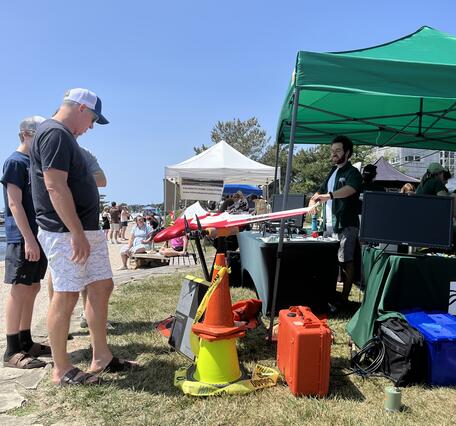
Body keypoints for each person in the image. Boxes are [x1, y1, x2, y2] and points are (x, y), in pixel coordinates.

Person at [30, 88, 134, 386]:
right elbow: (54, 186)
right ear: (81, 109)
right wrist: (76, 232)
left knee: (101, 285)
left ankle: (101, 356)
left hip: (84, 228)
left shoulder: (64, 136)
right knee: (66, 295)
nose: (90, 127)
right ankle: (61, 369)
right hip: (64, 231)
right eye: (92, 120)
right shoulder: (54, 134)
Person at [1, 116, 50, 369]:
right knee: (20, 290)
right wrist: (29, 239)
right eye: (37, 134)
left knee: (33, 288)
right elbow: (13, 203)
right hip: (22, 236)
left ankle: (26, 340)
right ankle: (11, 350)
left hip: (38, 235)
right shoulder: (14, 162)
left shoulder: (35, 162)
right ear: (25, 135)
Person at [309, 135, 362, 304]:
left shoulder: (353, 172)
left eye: (338, 151)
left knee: (346, 261)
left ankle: (344, 299)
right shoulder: (332, 172)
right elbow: (320, 191)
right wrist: (312, 200)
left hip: (346, 224)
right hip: (329, 225)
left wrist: (329, 196)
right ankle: (331, 295)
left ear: (347, 152)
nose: (334, 154)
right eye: (332, 151)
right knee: (332, 262)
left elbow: (351, 189)